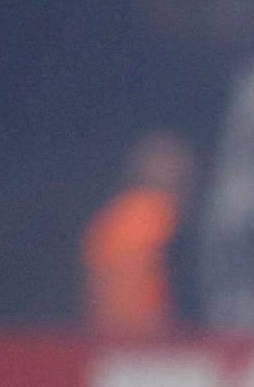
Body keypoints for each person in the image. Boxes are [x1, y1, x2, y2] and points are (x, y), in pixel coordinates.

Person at [82, 130, 192, 336]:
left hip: (113, 336)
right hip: (139, 337)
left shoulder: (122, 213)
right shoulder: (146, 213)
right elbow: (128, 280)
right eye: (167, 161)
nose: (179, 169)